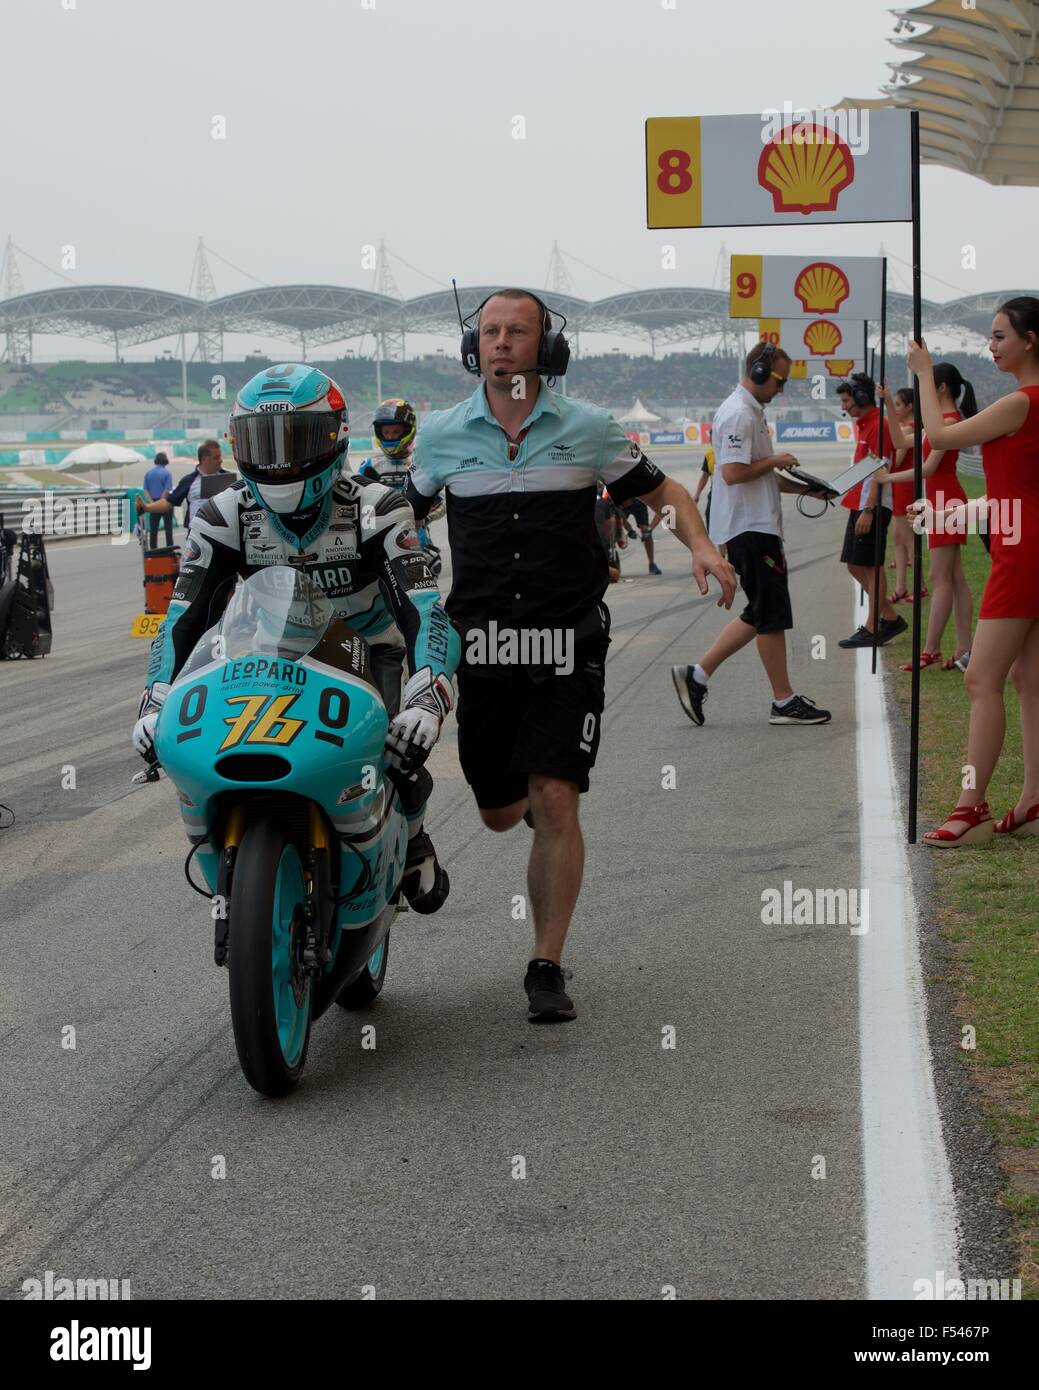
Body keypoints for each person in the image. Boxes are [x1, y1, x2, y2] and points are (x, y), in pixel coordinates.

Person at [405, 288, 737, 1022]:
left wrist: (703, 545)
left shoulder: (589, 431)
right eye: (489, 331)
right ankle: (517, 811)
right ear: (473, 347)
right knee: (498, 812)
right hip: (482, 647)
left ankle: (545, 963)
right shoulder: (439, 438)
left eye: (515, 332)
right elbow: (398, 514)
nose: (500, 343)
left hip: (568, 645)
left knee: (557, 796)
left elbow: (665, 494)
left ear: (544, 348)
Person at [132, 365, 461, 909]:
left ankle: (414, 832)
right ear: (240, 445)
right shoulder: (222, 514)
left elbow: (426, 610)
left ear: (333, 438)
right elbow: (182, 618)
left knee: (401, 753)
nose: (280, 460)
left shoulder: (378, 508)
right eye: (264, 442)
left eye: (297, 439)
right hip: (267, 652)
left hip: (369, 650)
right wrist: (155, 696)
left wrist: (429, 692)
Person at [907, 299, 1039, 846]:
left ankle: (972, 807)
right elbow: (1015, 496)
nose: (991, 345)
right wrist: (948, 513)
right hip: (1025, 540)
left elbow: (937, 440)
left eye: (1000, 335)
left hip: (1022, 554)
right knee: (1026, 681)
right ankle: (1033, 797)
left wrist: (921, 374)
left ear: (1030, 340)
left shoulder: (1022, 403)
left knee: (980, 679)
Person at [671, 342, 833, 728]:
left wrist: (808, 489)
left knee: (760, 611)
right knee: (771, 615)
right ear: (759, 372)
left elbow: (759, 475)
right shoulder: (739, 413)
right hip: (749, 528)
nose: (782, 389)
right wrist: (776, 459)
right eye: (779, 380)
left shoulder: (750, 412)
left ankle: (696, 675)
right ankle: (784, 701)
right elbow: (732, 473)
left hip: (755, 525)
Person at [875, 364, 977, 672]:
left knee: (940, 577)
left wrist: (888, 479)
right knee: (954, 578)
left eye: (926, 384)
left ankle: (931, 649)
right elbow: (900, 441)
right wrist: (889, 402)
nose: (921, 393)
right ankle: (963, 648)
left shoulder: (950, 422)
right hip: (938, 498)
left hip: (945, 498)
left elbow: (930, 468)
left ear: (942, 387)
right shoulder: (937, 423)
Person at [834, 374, 909, 649]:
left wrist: (869, 509)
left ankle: (872, 626)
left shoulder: (879, 426)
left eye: (846, 401)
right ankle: (888, 617)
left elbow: (879, 469)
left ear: (861, 397)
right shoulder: (865, 425)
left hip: (872, 505)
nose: (844, 407)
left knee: (871, 565)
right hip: (860, 503)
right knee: (855, 564)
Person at [360, 398, 445, 573]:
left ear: (407, 431)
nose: (390, 436)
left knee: (432, 565)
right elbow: (359, 503)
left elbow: (441, 501)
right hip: (380, 535)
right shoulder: (369, 466)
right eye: (386, 432)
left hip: (417, 535)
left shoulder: (419, 463)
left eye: (395, 431)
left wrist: (424, 518)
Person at [137, 440, 235, 532]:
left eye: (220, 457)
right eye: (216, 457)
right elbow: (169, 502)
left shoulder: (229, 478)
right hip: (196, 536)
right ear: (204, 459)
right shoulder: (189, 481)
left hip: (224, 535)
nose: (221, 460)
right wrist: (146, 507)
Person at [884, 388, 918, 602]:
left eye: (898, 404)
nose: (895, 408)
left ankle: (919, 585)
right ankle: (901, 587)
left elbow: (895, 461)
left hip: (904, 485)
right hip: (899, 484)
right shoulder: (906, 428)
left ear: (909, 407)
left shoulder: (908, 430)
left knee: (908, 539)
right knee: (898, 538)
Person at [142, 451, 174, 549]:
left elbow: (145, 490)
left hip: (153, 502)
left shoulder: (148, 473)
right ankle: (169, 549)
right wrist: (161, 501)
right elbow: (167, 489)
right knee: (168, 529)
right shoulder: (167, 473)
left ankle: (153, 550)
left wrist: (152, 503)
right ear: (165, 461)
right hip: (165, 502)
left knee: (153, 529)